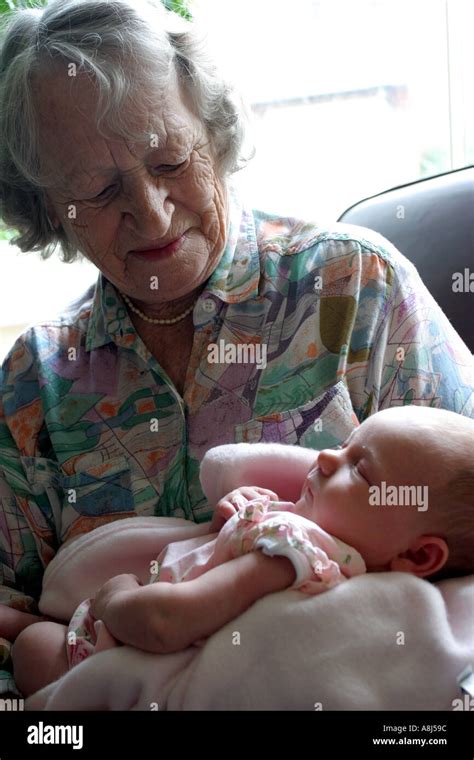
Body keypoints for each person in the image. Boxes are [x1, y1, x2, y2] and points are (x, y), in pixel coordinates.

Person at [0, 0, 472, 698]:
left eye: (169, 158)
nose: (153, 211)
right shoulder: (32, 384)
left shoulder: (354, 287)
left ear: (213, 133)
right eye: (98, 190)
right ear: (47, 209)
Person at [11, 405, 474, 699]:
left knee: (35, 647)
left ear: (417, 558)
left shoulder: (293, 555)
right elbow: (221, 551)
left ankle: (26, 628)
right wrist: (232, 517)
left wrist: (114, 597)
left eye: (362, 471)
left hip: (118, 638)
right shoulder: (309, 538)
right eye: (343, 445)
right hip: (128, 610)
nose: (326, 458)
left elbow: (168, 622)